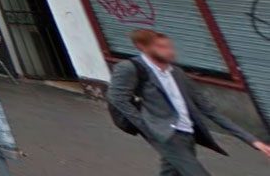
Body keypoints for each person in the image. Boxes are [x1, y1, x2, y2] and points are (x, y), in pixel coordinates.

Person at [110, 28, 270, 174]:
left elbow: (209, 110)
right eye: (161, 47)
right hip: (165, 135)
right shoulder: (129, 68)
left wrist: (253, 141)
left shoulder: (177, 73)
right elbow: (117, 98)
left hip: (187, 133)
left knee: (172, 172)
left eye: (170, 47)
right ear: (143, 48)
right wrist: (147, 127)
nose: (169, 51)